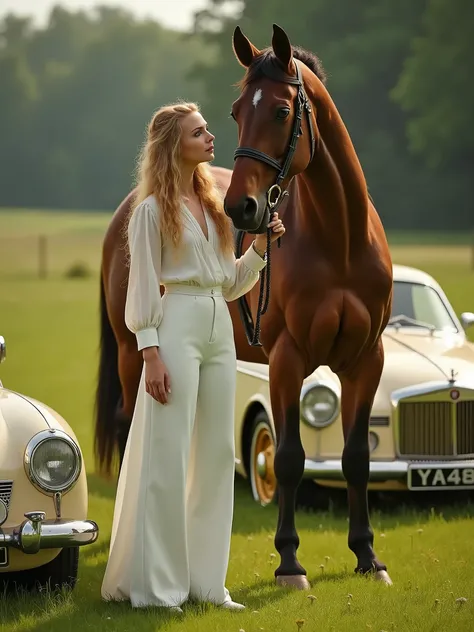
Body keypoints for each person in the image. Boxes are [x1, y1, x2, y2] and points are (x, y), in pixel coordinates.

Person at [100, 102, 285, 613]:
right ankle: (158, 589)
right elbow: (141, 288)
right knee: (168, 456)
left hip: (217, 329)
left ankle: (207, 584)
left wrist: (262, 248)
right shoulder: (148, 211)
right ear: (172, 146)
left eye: (207, 131)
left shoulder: (214, 202)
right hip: (174, 326)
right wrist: (150, 354)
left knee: (217, 457)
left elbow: (230, 285)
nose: (211, 138)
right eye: (199, 132)